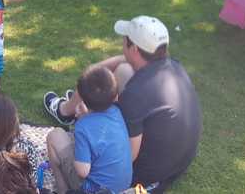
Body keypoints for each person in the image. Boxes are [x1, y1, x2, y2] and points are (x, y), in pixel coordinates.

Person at [43, 16, 202, 193]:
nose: (121, 42)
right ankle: (67, 110)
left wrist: (88, 122)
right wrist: (93, 71)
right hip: (178, 162)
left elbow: (128, 155)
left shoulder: (136, 95)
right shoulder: (174, 66)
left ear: (134, 48)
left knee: (56, 138)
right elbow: (124, 62)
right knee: (124, 69)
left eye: (124, 40)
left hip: (141, 177)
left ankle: (63, 190)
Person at [46, 65, 132, 194]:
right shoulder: (117, 112)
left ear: (82, 100)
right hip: (123, 185)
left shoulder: (83, 126)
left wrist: (82, 122)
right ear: (115, 97)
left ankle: (63, 190)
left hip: (94, 190)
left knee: (54, 136)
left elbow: (82, 171)